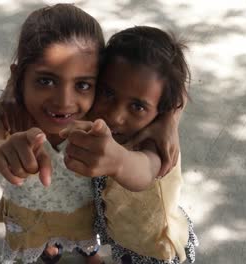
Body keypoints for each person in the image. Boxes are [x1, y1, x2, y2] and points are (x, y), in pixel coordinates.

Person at [0, 4, 105, 264]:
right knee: (42, 242)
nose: (64, 102)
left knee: (86, 236)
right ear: (19, 77)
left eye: (83, 84)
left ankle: (89, 252)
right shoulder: (1, 112)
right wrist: (0, 152)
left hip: (81, 209)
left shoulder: (100, 111)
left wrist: (168, 122)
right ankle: (48, 248)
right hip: (29, 213)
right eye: (46, 81)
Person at [60, 26, 198, 263]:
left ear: (162, 109)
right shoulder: (100, 115)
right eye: (107, 93)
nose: (115, 116)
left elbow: (144, 170)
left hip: (151, 247)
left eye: (137, 106)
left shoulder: (155, 143)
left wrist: (119, 161)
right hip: (118, 227)